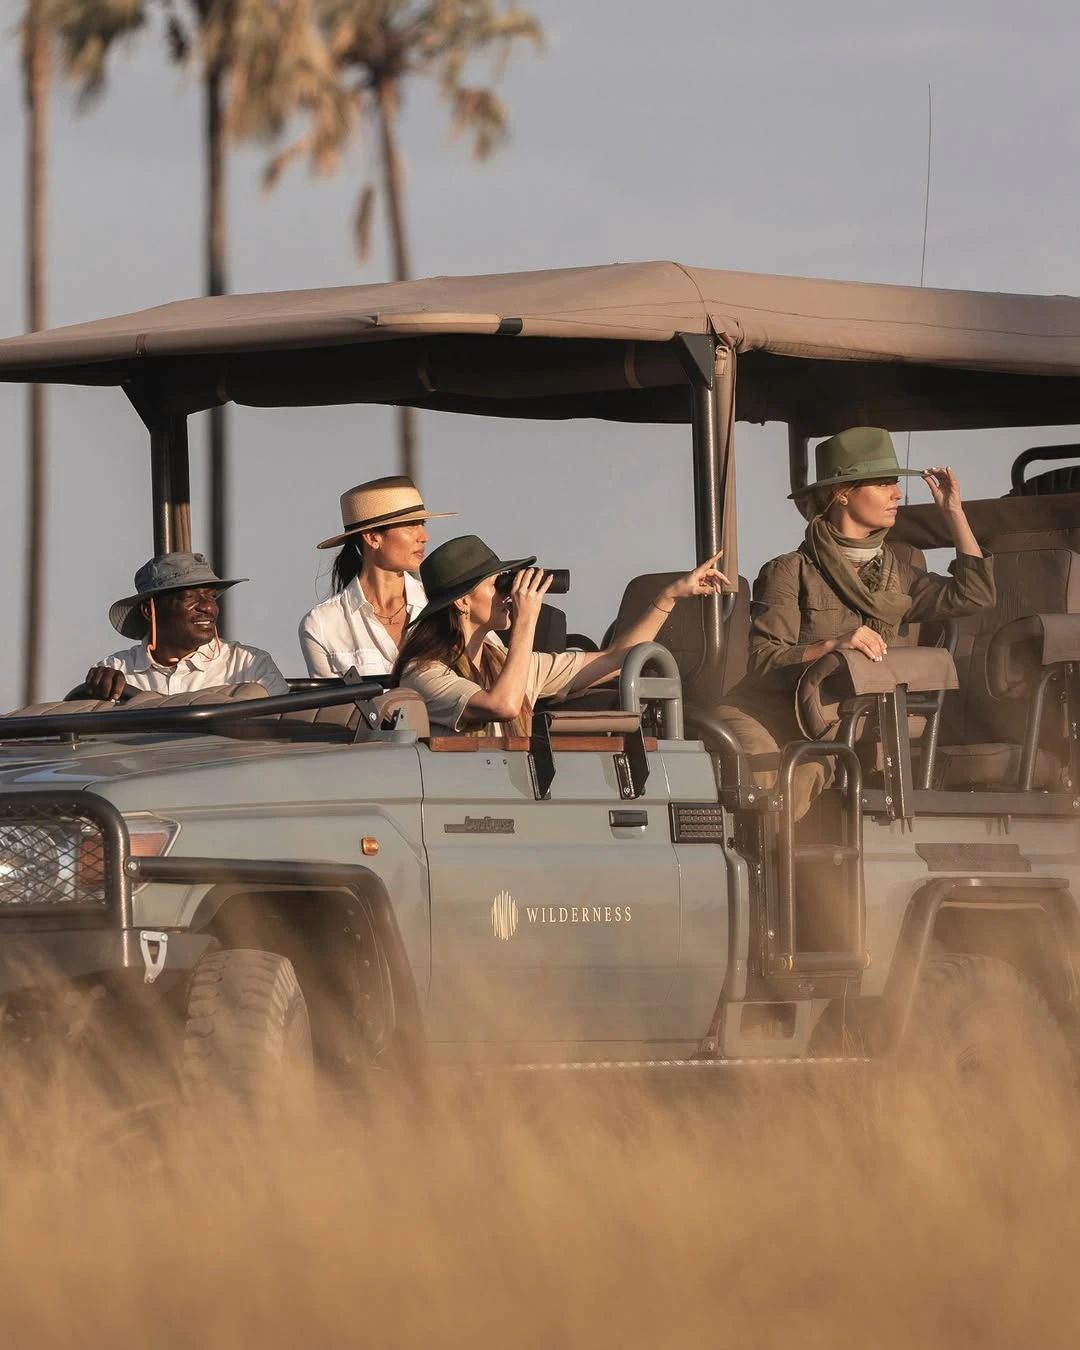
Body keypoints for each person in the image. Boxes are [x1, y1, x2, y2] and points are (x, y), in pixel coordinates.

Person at [717, 426, 996, 817]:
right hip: (768, 714)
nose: (897, 494)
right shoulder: (789, 570)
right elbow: (764, 660)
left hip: (834, 724)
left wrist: (954, 513)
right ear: (842, 493)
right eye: (883, 484)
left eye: (895, 484)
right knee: (785, 778)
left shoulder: (899, 575)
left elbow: (975, 594)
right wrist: (832, 645)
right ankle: (760, 876)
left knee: (817, 771)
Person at [392, 535, 728, 736]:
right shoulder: (424, 675)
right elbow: (504, 705)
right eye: (498, 585)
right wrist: (526, 621)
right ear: (463, 601)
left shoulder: (508, 664)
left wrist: (668, 597)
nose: (508, 594)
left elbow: (614, 660)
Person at [299, 475, 454, 677]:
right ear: (373, 537)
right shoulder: (322, 624)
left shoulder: (447, 606)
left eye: (422, 523)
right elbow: (335, 708)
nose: (424, 537)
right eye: (410, 524)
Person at [84, 552, 289, 700]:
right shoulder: (113, 671)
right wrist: (99, 690)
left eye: (211, 596)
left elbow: (278, 740)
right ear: (149, 610)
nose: (208, 607)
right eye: (189, 597)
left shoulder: (251, 666)